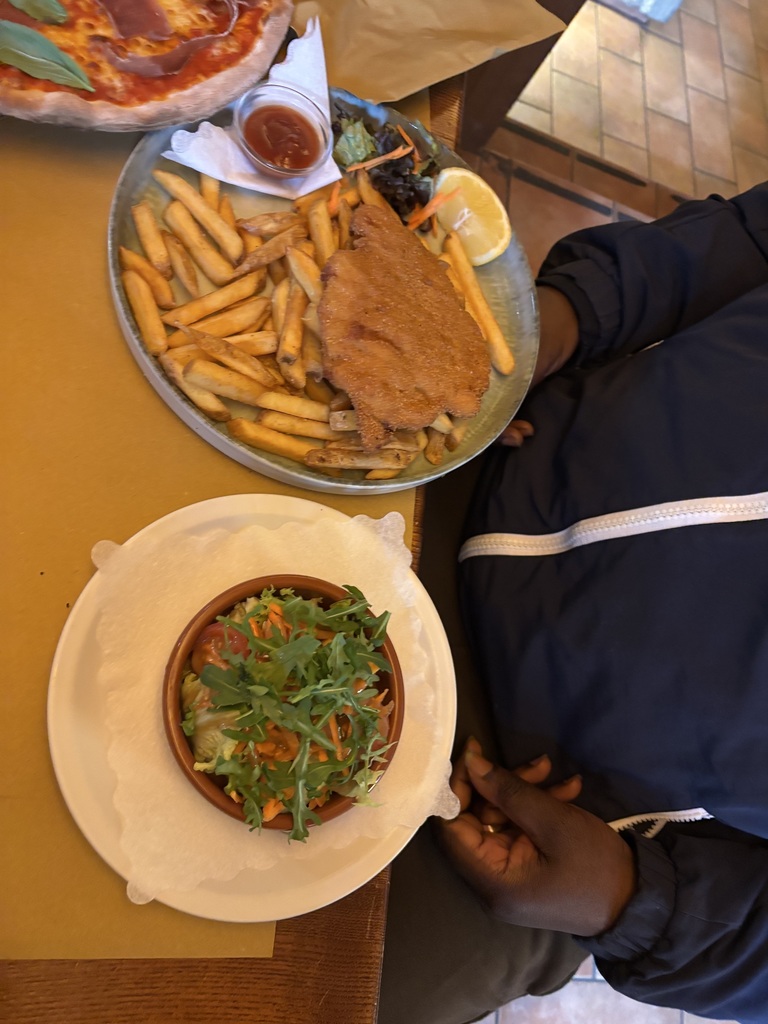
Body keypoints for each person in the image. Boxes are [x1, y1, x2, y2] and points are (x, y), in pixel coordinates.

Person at [378, 181, 768, 1024]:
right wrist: (566, 320)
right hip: (503, 435)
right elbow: (744, 238)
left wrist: (631, 900)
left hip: (540, 812)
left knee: (298, 987)